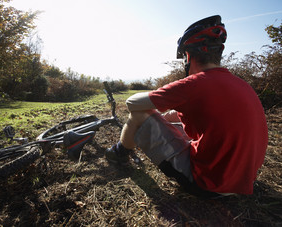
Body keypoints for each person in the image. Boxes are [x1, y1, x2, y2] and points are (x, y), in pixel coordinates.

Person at [105, 15, 268, 197]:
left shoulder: (193, 84)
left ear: (188, 55)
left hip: (209, 184)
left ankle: (119, 153)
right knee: (179, 128)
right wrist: (166, 118)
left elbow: (132, 103)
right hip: (242, 180)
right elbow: (206, 115)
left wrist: (157, 105)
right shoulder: (240, 84)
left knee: (138, 116)